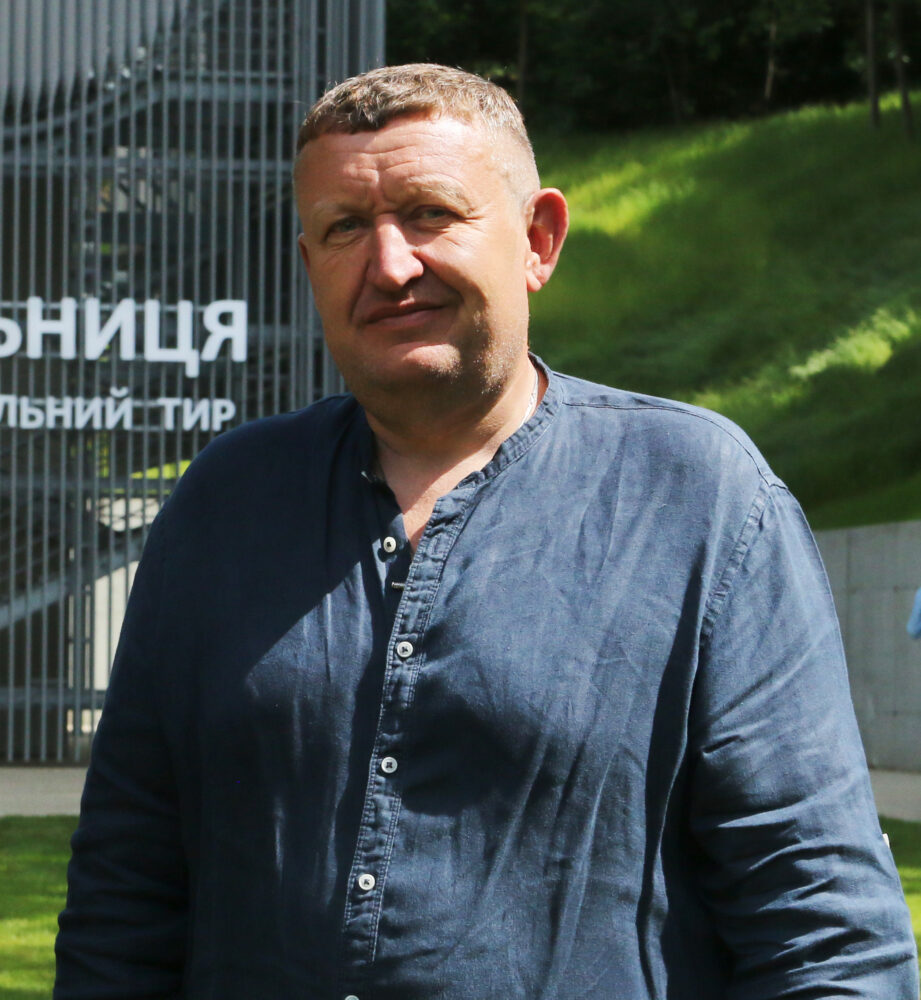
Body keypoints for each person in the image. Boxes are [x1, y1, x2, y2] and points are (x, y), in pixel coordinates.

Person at [55, 64, 918, 999]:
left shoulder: (695, 497)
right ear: (309, 265)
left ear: (538, 238)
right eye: (345, 228)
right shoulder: (226, 504)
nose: (390, 265)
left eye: (429, 213)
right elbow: (124, 892)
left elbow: (819, 920)